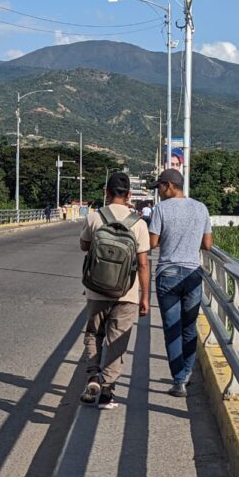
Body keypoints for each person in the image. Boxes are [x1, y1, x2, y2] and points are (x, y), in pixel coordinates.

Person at [79, 172, 150, 409]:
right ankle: (107, 391)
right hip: (127, 293)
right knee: (117, 341)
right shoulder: (138, 223)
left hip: (96, 290)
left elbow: (84, 245)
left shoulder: (94, 217)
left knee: (93, 334)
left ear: (106, 193)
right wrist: (145, 297)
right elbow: (143, 264)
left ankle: (92, 376)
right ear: (129, 195)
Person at [148, 169, 212, 398]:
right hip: (193, 274)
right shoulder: (201, 208)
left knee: (172, 328)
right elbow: (207, 245)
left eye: (159, 187)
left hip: (168, 274)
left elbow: (152, 242)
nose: (158, 191)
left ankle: (178, 382)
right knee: (189, 327)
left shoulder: (161, 209)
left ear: (169, 185)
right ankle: (186, 373)